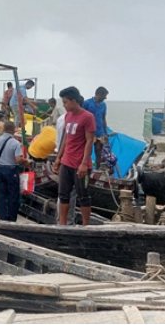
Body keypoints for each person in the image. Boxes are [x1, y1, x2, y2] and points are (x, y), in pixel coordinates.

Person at [54, 86, 95, 226]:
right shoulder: (68, 116)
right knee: (63, 195)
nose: (64, 105)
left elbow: (90, 141)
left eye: (65, 102)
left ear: (73, 101)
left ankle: (85, 226)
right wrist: (59, 157)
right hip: (67, 162)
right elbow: (66, 138)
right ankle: (63, 225)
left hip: (80, 164)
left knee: (83, 196)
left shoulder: (88, 117)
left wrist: (84, 163)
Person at [0, 121, 29, 222]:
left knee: (1, 194)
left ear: (3, 129)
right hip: (11, 171)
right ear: (13, 130)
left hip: (0, 170)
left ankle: (2, 217)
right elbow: (18, 160)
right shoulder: (15, 143)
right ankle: (12, 218)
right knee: (13, 195)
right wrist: (26, 161)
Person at [82, 87, 109, 170]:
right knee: (87, 152)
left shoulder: (103, 105)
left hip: (100, 133)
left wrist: (105, 132)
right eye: (104, 95)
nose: (105, 98)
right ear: (99, 94)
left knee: (99, 152)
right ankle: (86, 169)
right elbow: (82, 117)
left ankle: (98, 171)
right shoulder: (87, 103)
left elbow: (103, 118)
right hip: (88, 133)